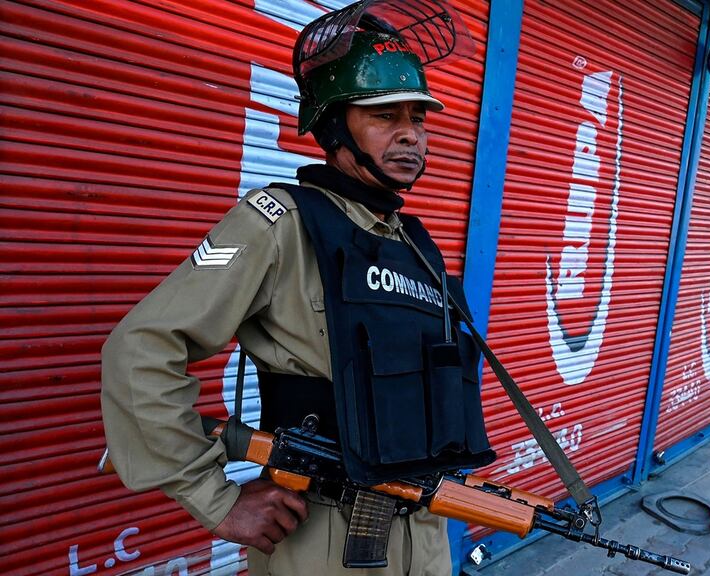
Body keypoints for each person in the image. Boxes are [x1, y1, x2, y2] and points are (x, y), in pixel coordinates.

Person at [100, 3, 494, 574]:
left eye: (419, 116)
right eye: (384, 115)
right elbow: (141, 352)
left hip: (425, 534)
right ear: (333, 127)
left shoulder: (413, 243)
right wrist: (218, 503)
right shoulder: (281, 223)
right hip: (321, 536)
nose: (410, 133)